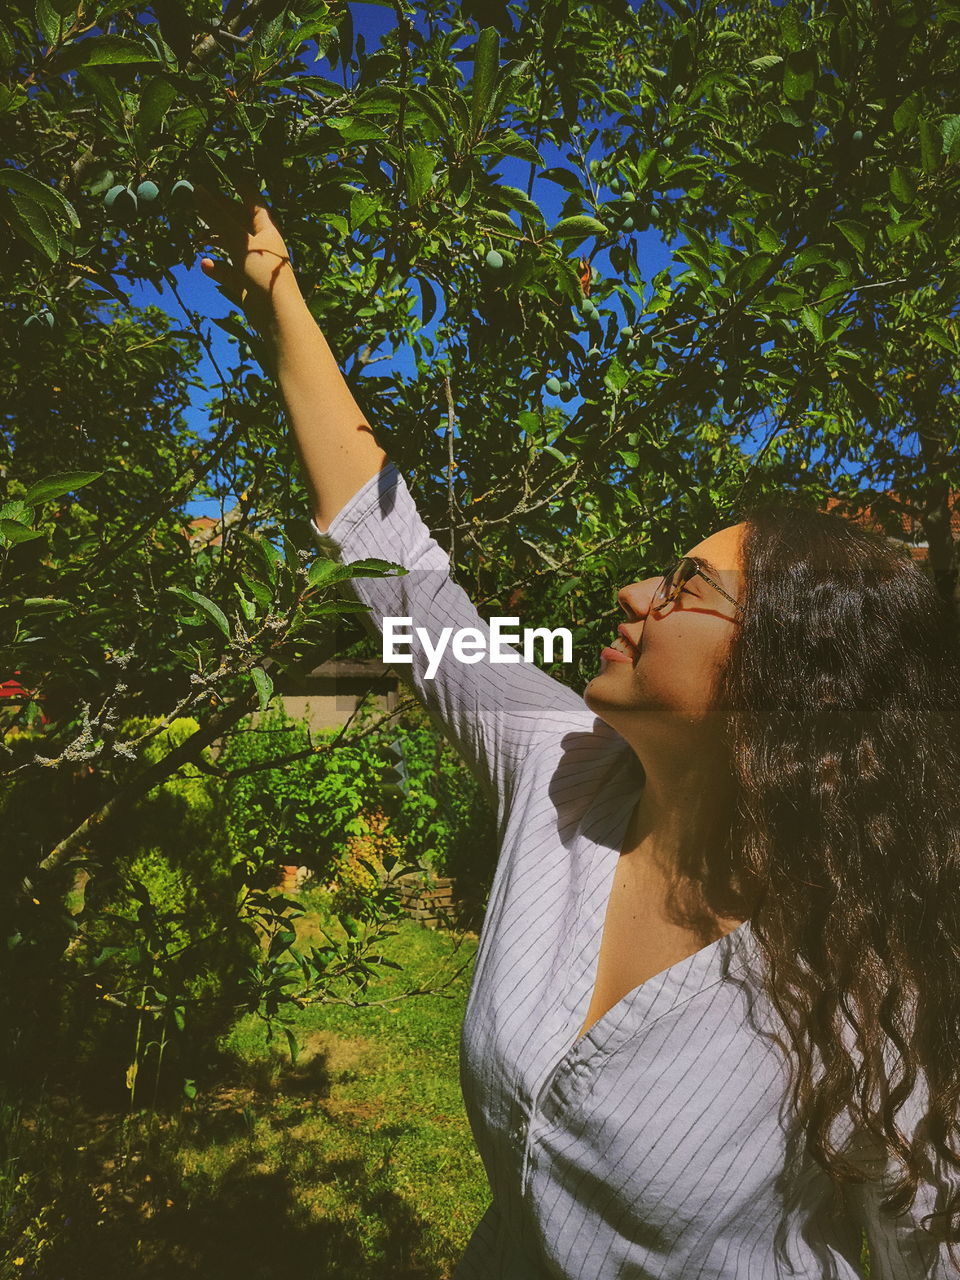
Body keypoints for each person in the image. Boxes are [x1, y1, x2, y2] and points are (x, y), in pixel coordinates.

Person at [194, 184, 960, 1279]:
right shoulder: (563, 769)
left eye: (689, 583)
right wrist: (282, 297)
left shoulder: (876, 979)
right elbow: (408, 583)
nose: (638, 588)